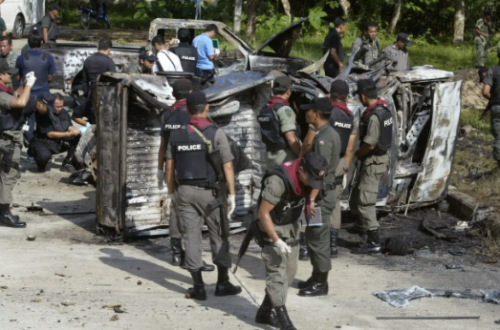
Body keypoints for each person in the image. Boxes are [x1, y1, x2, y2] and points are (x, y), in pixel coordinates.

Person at [166, 91, 240, 301]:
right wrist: (232, 195)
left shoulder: (176, 134)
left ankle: (198, 287)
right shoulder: (216, 133)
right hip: (211, 194)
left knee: (190, 237)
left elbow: (170, 166)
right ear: (207, 107)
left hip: (184, 192)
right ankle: (223, 283)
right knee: (219, 235)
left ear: (187, 110)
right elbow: (227, 166)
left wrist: (171, 191)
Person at [254, 152, 328, 330]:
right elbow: (263, 213)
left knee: (289, 273)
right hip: (272, 226)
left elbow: (316, 184)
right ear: (301, 170)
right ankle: (285, 322)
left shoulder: (312, 174)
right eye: (309, 179)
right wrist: (277, 241)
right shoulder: (277, 182)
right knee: (277, 274)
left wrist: (310, 200)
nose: (312, 184)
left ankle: (264, 312)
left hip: (292, 224)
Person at [158, 79, 213, 272]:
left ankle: (176, 253)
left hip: (172, 167)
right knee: (194, 215)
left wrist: (159, 169)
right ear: (190, 92)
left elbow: (163, 146)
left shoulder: (167, 114)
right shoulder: (195, 113)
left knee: (175, 209)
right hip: (194, 168)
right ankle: (193, 256)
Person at [301, 80, 356, 257]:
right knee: (334, 201)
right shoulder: (350, 117)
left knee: (312, 198)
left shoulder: (323, 114)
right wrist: (345, 167)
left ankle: (306, 243)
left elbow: (309, 141)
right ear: (346, 97)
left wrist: (302, 159)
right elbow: (349, 147)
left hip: (320, 161)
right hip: (339, 163)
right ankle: (333, 245)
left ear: (330, 95)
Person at [295, 97, 340, 297]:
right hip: (317, 194)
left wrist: (311, 199)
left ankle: (322, 283)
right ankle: (316, 275)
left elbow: (319, 172)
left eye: (309, 110)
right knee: (313, 235)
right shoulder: (325, 133)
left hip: (320, 195)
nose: (306, 113)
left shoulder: (323, 138)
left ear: (318, 114)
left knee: (319, 238)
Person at [349, 79, 393, 254]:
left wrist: (357, 154)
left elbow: (370, 143)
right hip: (379, 160)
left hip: (373, 161)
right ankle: (361, 225)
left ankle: (374, 241)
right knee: (358, 194)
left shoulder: (374, 117)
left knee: (365, 202)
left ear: (362, 96)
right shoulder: (384, 110)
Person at [0, 61, 36, 228]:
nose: (12, 75)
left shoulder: (5, 90)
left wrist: (23, 85)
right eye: (8, 73)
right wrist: (28, 86)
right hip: (6, 140)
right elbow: (20, 103)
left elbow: (15, 96)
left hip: (9, 138)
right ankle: (4, 213)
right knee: (8, 175)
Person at [15, 34, 56, 152]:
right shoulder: (48, 58)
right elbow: (49, 78)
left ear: (28, 43)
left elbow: (18, 78)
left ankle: (30, 146)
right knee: (44, 120)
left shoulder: (21, 58)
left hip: (27, 95)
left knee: (28, 121)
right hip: (43, 93)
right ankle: (42, 145)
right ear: (41, 43)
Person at [29, 93, 80, 173]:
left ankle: (67, 162)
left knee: (77, 136)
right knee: (44, 156)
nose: (59, 109)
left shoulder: (64, 112)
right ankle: (41, 165)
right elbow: (50, 134)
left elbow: (68, 126)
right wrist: (68, 134)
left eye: (61, 106)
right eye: (57, 107)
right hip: (43, 142)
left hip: (58, 141)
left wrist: (74, 130)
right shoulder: (44, 114)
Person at [258, 76, 301, 170]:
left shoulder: (265, 108)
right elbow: (290, 138)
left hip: (270, 158)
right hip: (285, 158)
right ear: (288, 90)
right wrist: (302, 155)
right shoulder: (284, 109)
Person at [482, 65, 500, 169]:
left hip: (497, 107)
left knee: (499, 137)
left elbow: (485, 92)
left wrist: (493, 100)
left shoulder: (492, 70)